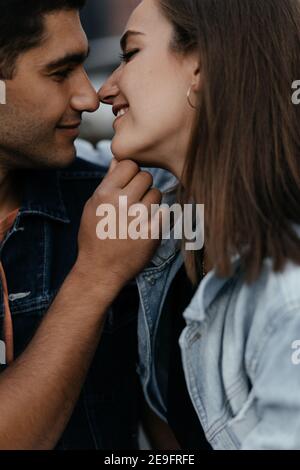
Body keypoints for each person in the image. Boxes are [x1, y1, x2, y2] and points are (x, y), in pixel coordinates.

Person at [99, 0, 300, 450]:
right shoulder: (169, 209)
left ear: (201, 68)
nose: (103, 90)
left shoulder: (288, 294)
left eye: (130, 54)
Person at [0, 0, 163, 449]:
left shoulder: (113, 202)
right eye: (59, 72)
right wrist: (95, 277)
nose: (89, 97)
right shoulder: (107, 245)